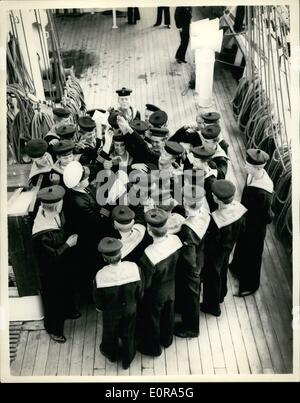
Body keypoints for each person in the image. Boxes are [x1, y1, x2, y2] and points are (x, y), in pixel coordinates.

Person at [32, 185, 80, 343]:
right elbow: (50, 258)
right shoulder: (42, 233)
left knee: (65, 290)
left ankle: (68, 311)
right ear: (57, 206)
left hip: (62, 266)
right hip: (51, 273)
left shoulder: (48, 211)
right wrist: (68, 244)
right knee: (54, 301)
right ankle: (54, 329)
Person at [63, 161, 113, 302]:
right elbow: (96, 221)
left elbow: (97, 200)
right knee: (92, 267)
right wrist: (108, 209)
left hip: (94, 230)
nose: (88, 179)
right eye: (85, 178)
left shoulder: (85, 189)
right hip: (89, 239)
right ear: (77, 184)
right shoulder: (78, 202)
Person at [138, 208, 182, 356]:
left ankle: (153, 348)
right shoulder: (176, 240)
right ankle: (167, 340)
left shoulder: (149, 254)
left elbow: (147, 281)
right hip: (172, 286)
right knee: (168, 314)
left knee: (153, 319)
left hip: (155, 293)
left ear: (149, 231)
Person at [93, 237, 143, 369]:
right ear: (121, 254)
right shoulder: (134, 268)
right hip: (130, 308)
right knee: (129, 331)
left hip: (111, 312)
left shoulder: (100, 275)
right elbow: (140, 290)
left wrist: (100, 308)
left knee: (111, 331)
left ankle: (111, 353)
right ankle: (128, 358)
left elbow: (98, 299)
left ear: (104, 258)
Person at [229, 148, 274, 296]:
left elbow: (268, 216)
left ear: (258, 168)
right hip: (246, 221)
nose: (244, 167)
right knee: (242, 245)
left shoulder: (264, 190)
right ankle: (237, 267)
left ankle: (249, 284)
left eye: (248, 165)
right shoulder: (252, 175)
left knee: (253, 254)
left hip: (256, 228)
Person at [201, 179, 247, 317]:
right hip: (228, 248)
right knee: (223, 269)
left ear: (216, 199)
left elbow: (211, 242)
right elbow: (243, 229)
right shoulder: (240, 209)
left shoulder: (216, 219)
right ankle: (222, 294)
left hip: (215, 253)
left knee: (212, 276)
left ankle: (212, 306)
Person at [175, 183, 210, 338]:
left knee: (192, 296)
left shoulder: (187, 229)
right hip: (201, 256)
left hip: (192, 268)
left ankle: (191, 328)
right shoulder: (205, 212)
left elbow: (188, 259)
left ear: (186, 202)